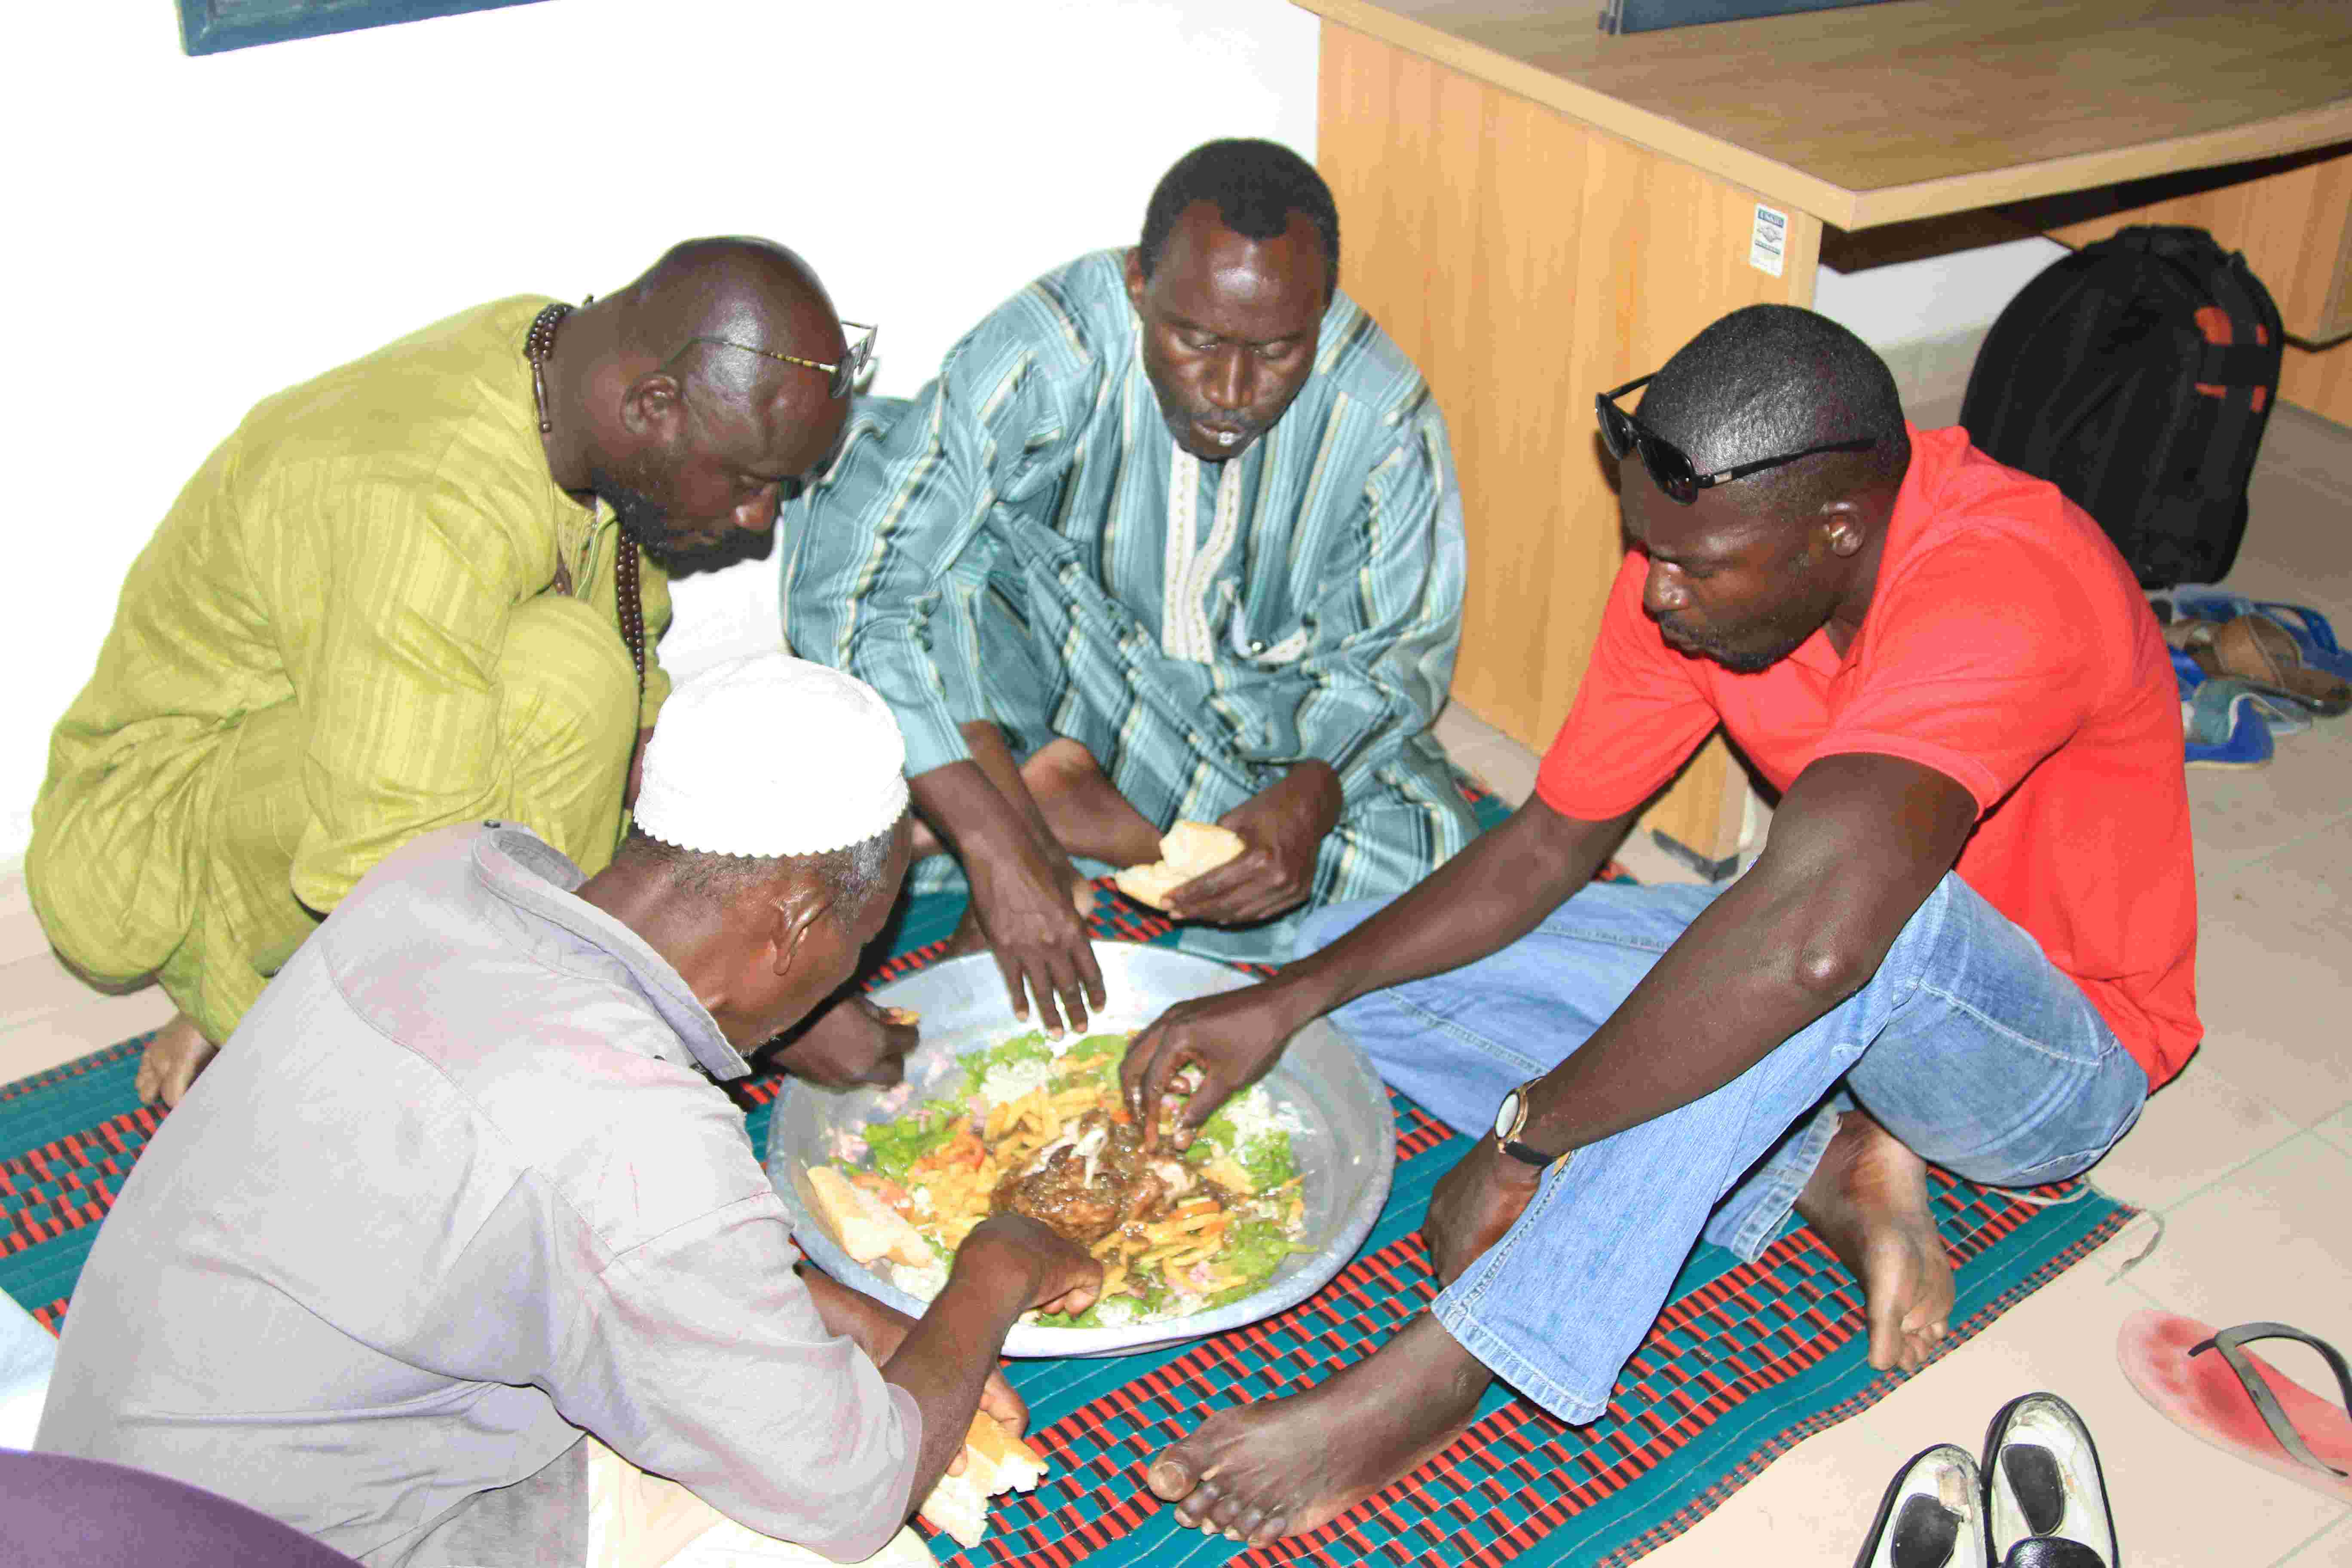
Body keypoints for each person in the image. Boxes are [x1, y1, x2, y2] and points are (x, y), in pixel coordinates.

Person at [1118, 305, 2198, 1546]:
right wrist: (1290, 994)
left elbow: (1820, 944)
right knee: (1352, 983)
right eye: (1648, 550)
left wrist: (1529, 1139)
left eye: (1695, 567)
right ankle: (1831, 1159)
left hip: (2048, 1055)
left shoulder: (2008, 578)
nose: (1657, 592)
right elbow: (1546, 847)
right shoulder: (1709, 561)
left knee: (1809, 938)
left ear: (1841, 531)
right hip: (1817, 952)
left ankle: (1462, 1363)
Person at [36, 653, 1103, 1567]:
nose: (843, 982)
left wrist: (845, 1314)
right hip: (308, 1539)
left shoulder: (448, 874)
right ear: (794, 923)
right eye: (856, 946)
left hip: (102, 1490)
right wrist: (997, 1264)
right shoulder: (631, 1125)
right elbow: (851, 1489)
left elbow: (560, 1228)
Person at [28, 237, 889, 1108]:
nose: (759, 519)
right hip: (159, 843)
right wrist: (694, 1012)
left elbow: (637, 736)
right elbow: (397, 882)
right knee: (563, 683)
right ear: (653, 404)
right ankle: (256, 1007)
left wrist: (764, 976)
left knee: (586, 697)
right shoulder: (423, 497)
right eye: (747, 479)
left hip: (327, 784)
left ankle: (305, 994)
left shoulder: (571, 373)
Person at [784, 138, 1476, 1033]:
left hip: (1231, 720)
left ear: (1323, 313)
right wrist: (1001, 852)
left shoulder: (1380, 415)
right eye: (1196, 339)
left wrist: (1313, 792)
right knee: (867, 495)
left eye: (1277, 350)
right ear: (1139, 286)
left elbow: (1393, 661)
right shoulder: (1059, 346)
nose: (1231, 391)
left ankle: (1078, 817)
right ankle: (1019, 814)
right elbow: (858, 580)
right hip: (1037, 654)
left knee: (1433, 862)